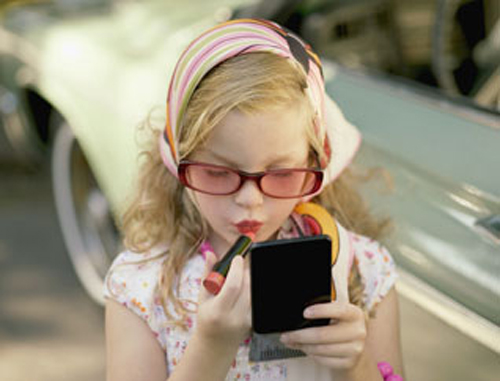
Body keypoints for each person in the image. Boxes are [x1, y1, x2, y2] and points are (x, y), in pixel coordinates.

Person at [104, 19, 404, 381]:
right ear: (179, 161)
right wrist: (210, 349)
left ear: (315, 161)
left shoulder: (365, 269)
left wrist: (357, 366)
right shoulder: (139, 288)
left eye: (280, 174)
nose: (250, 200)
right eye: (218, 173)